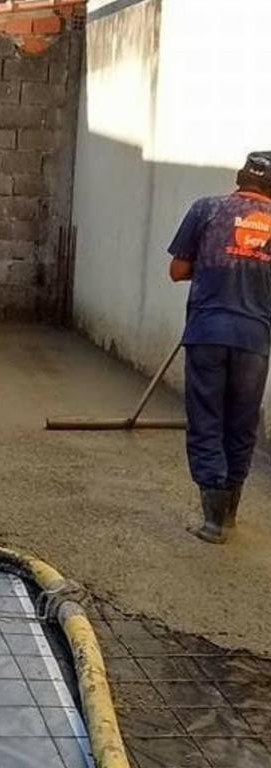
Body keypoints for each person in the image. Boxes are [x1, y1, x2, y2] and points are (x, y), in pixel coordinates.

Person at [168, 151, 271, 544]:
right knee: (241, 425)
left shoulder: (207, 209)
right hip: (254, 340)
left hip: (207, 333)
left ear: (240, 177)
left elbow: (178, 270)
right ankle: (229, 515)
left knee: (207, 422)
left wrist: (212, 267)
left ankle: (212, 523)